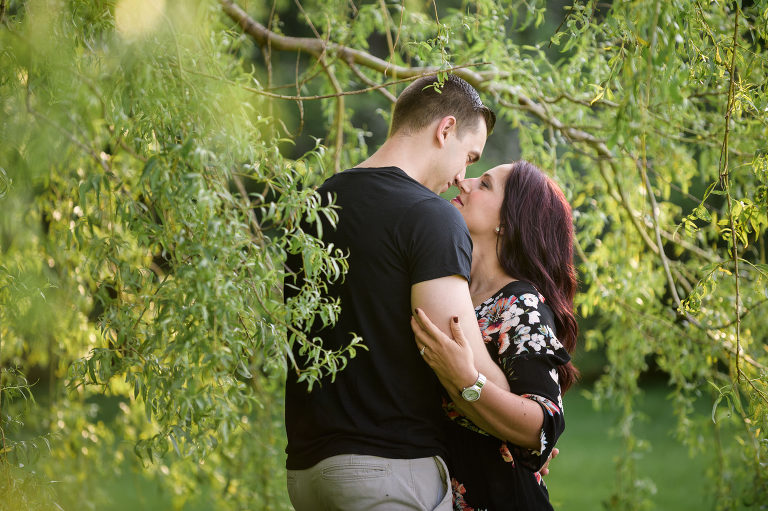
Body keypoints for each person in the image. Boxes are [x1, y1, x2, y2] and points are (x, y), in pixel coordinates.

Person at [283, 74, 510, 510]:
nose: (463, 176)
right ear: (444, 130)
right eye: (469, 156)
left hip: (307, 474)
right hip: (387, 473)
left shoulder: (316, 205)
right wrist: (522, 410)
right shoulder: (431, 218)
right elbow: (462, 359)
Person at [411, 160, 579, 510]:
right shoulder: (448, 289)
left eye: (484, 184)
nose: (464, 182)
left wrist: (467, 380)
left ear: (508, 221)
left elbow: (542, 425)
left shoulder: (520, 303)